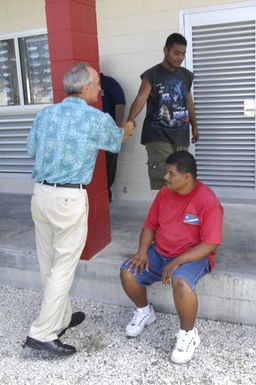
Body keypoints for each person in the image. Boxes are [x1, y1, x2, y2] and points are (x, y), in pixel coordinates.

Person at [25, 63, 134, 357]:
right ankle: (42, 333)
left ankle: (59, 318)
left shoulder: (45, 114)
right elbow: (114, 143)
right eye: (97, 84)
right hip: (68, 199)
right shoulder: (94, 117)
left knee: (48, 262)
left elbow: (31, 150)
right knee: (63, 266)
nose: (99, 89)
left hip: (40, 194)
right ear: (85, 88)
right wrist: (127, 128)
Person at [120, 151, 223, 364]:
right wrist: (141, 252)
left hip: (193, 255)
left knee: (181, 283)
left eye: (170, 173)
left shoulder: (207, 199)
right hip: (160, 252)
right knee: (128, 272)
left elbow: (210, 243)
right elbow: (150, 226)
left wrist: (178, 261)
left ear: (187, 177)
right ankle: (144, 311)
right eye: (166, 172)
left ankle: (188, 334)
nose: (165, 177)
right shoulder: (164, 194)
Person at [127, 33, 199, 190]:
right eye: (176, 53)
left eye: (183, 54)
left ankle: (176, 214)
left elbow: (189, 103)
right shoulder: (152, 75)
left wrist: (194, 126)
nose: (180, 57)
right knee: (166, 182)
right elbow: (140, 99)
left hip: (181, 137)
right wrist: (130, 120)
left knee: (180, 182)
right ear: (165, 50)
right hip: (157, 135)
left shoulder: (186, 76)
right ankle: (165, 214)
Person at [100, 73, 126, 202]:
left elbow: (120, 104)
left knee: (109, 166)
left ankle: (106, 196)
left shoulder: (108, 82)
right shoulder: (82, 86)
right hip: (91, 136)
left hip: (109, 134)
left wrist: (117, 129)